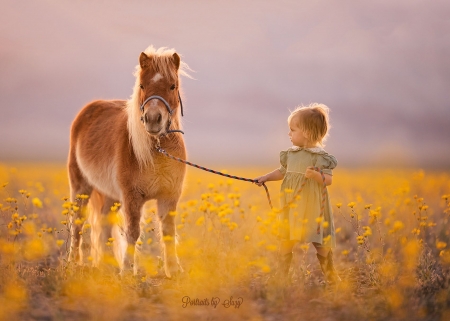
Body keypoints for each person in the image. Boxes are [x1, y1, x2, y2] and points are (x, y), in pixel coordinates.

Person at [255, 103, 340, 284]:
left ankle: (331, 275)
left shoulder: (320, 157)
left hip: (313, 208)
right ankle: (281, 277)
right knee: (286, 239)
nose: (289, 134)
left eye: (293, 130)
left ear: (307, 133)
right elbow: (282, 172)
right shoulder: (291, 155)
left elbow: (329, 180)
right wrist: (265, 178)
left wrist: (316, 175)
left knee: (320, 243)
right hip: (292, 205)